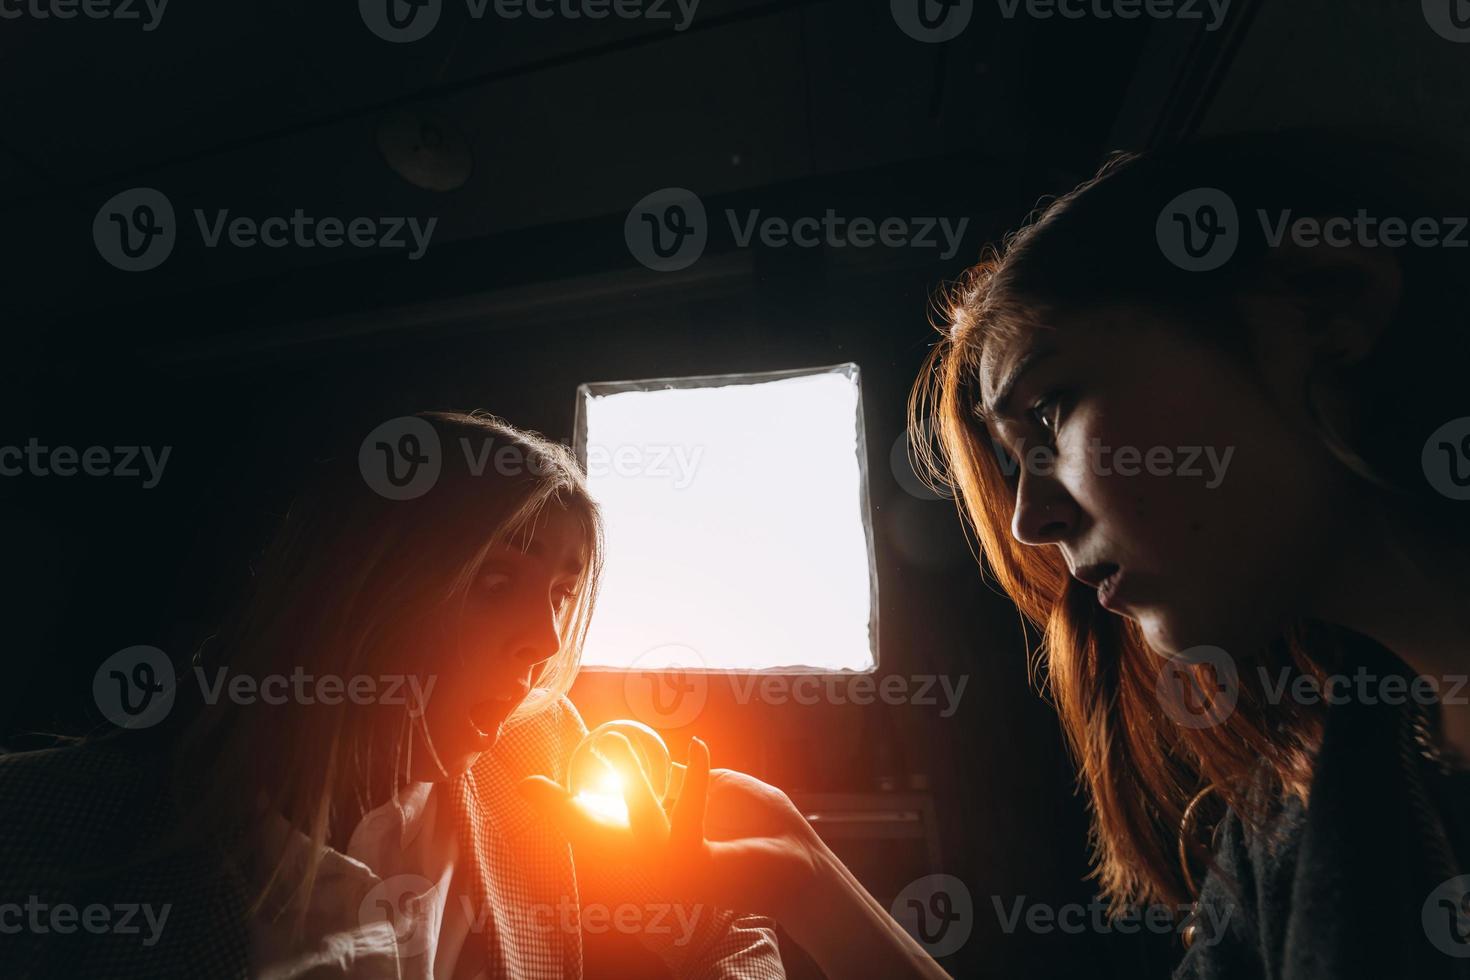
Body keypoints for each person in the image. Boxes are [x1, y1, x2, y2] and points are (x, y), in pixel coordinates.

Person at [523, 132, 1470, 979]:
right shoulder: (1300, 799)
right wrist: (803, 880)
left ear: (1324, 303)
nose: (1027, 523)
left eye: (1051, 413)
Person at [0, 411, 783, 979]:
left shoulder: (538, 765)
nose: (544, 644)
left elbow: (730, 938)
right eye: (496, 580)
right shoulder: (53, 819)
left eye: (560, 594)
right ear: (358, 594)